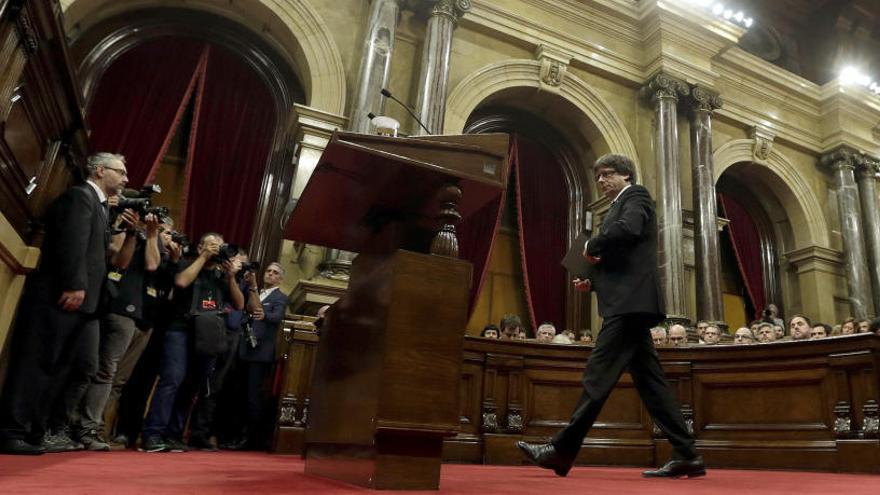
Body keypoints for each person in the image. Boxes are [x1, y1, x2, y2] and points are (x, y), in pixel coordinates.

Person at [517, 154, 703, 479]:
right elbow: (623, 258)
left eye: (607, 174)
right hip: (628, 302)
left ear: (626, 175)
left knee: (596, 378)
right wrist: (593, 281)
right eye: (598, 177)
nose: (602, 181)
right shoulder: (619, 204)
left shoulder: (635, 195)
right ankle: (687, 454)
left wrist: (591, 244)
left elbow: (628, 230)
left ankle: (561, 451)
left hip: (629, 305)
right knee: (652, 384)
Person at [0, 152, 126, 455]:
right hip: (62, 297)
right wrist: (74, 285)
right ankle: (12, 431)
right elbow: (72, 243)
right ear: (99, 171)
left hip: (82, 304)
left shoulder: (98, 206)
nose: (125, 179)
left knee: (60, 368)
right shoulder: (80, 197)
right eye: (120, 172)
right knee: (38, 363)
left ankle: (34, 431)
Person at [140, 232, 244, 453]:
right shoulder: (186, 264)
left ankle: (174, 435)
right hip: (181, 330)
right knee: (172, 380)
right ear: (200, 248)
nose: (216, 249)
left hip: (207, 337)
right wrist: (203, 258)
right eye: (211, 245)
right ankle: (153, 433)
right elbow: (181, 281)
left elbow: (239, 304)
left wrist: (232, 277)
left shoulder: (221, 276)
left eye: (219, 246)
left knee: (191, 386)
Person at [223, 262, 288, 451]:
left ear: (280, 278)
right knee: (239, 395)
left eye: (275, 272)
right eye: (268, 271)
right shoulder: (253, 292)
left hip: (261, 353)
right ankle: (235, 435)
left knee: (254, 397)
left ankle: (251, 439)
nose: (270, 274)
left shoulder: (280, 297)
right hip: (243, 349)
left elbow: (277, 317)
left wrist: (263, 313)